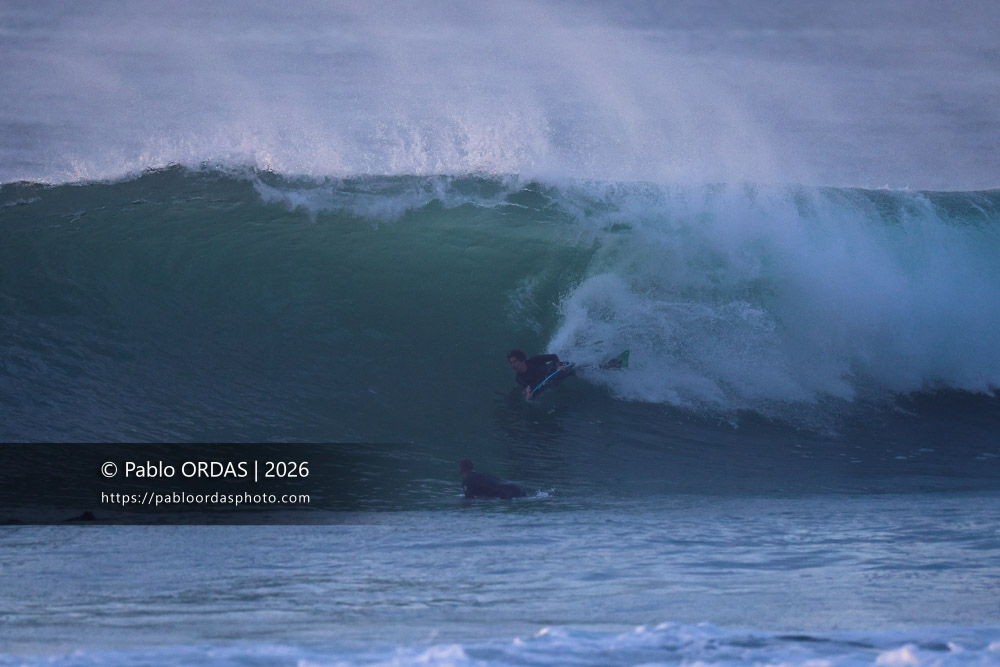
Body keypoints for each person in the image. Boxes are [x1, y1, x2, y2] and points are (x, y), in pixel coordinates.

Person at [458, 459, 527, 499]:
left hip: (507, 493)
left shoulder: (467, 480)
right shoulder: (483, 475)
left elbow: (469, 500)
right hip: (517, 487)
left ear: (463, 471)